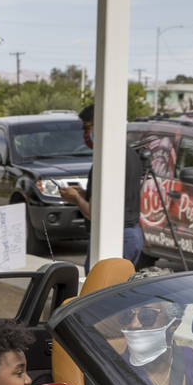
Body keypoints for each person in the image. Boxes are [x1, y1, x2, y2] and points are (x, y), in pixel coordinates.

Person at [58, 103, 144, 265]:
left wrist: (76, 198)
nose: (85, 134)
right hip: (129, 235)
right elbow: (113, 197)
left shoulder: (108, 160)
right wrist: (85, 193)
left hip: (115, 238)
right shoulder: (129, 154)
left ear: (103, 125)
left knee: (100, 288)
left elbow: (95, 213)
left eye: (87, 128)